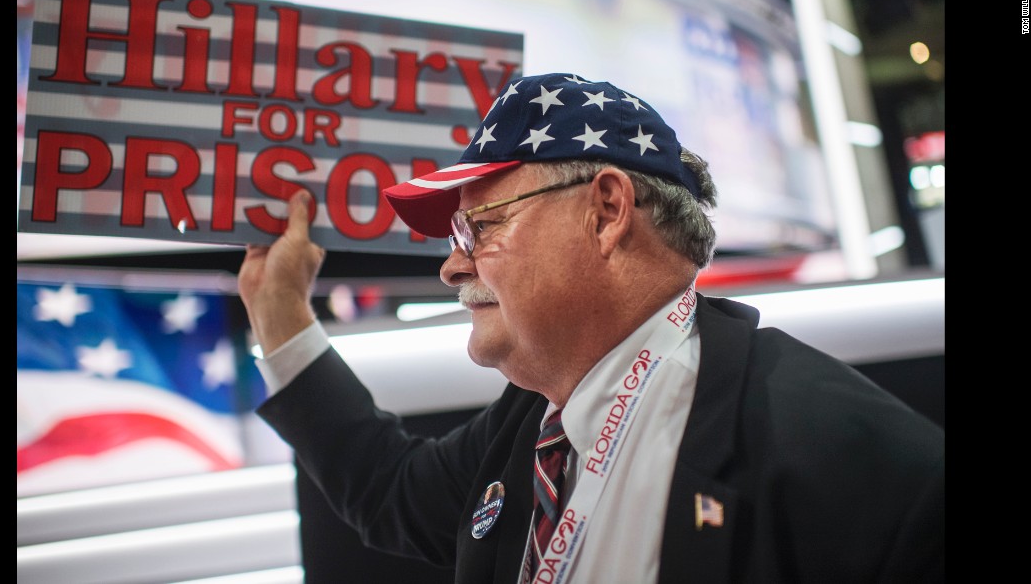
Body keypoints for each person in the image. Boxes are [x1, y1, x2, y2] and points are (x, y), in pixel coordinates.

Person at [237, 73, 944, 583]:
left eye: (479, 226)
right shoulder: (531, 426)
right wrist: (282, 317)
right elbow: (390, 489)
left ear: (606, 210)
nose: (453, 266)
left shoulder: (855, 459)